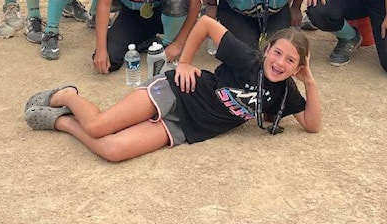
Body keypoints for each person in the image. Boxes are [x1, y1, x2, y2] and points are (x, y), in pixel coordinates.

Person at [22, 16, 321, 161]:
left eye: (291, 61)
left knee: (112, 150)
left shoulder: (285, 93)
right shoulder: (247, 58)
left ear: (298, 67)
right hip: (178, 92)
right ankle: (67, 95)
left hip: (186, 128)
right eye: (277, 53)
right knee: (100, 126)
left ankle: (61, 121)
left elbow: (311, 125)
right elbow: (205, 22)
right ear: (266, 49)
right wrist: (186, 62)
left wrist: (309, 82)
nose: (280, 63)